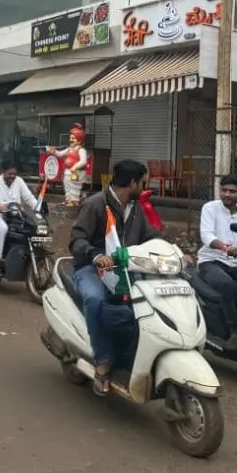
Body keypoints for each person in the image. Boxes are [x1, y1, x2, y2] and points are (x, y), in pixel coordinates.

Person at [69, 159, 162, 396]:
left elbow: (151, 238)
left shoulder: (136, 210)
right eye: (143, 182)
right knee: (94, 299)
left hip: (125, 269)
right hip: (91, 269)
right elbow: (77, 240)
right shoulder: (95, 204)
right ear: (132, 182)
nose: (145, 186)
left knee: (152, 298)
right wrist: (95, 255)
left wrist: (174, 253)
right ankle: (102, 362)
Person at [197, 174, 237, 350]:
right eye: (224, 190)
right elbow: (206, 235)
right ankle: (235, 331)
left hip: (236, 263)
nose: (227, 194)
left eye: (232, 191)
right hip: (211, 261)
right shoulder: (210, 208)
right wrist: (226, 247)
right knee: (228, 286)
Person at [0, 163, 38, 267]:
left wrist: (38, 208)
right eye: (10, 174)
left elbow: (28, 198)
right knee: (3, 228)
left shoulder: (19, 181)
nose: (13, 176)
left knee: (29, 227)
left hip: (16, 216)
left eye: (14, 174)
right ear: (3, 172)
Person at [48, 124, 89, 207]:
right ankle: (68, 199)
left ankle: (74, 200)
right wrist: (54, 152)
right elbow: (60, 154)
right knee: (67, 185)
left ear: (79, 140)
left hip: (77, 172)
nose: (70, 140)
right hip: (68, 171)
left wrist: (75, 166)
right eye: (70, 138)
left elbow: (83, 161)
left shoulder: (81, 150)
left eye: (73, 138)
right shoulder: (69, 149)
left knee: (74, 186)